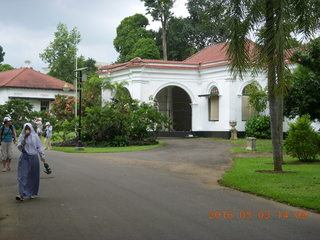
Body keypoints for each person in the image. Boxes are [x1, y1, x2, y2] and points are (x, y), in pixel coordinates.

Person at [16, 123, 47, 201]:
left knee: (33, 176)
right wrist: (25, 138)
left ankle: (32, 193)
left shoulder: (35, 136)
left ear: (31, 128)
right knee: (23, 175)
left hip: (34, 157)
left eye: (28, 128)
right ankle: (21, 194)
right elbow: (19, 147)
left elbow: (39, 146)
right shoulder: (22, 136)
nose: (27, 130)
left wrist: (42, 156)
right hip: (24, 157)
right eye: (25, 128)